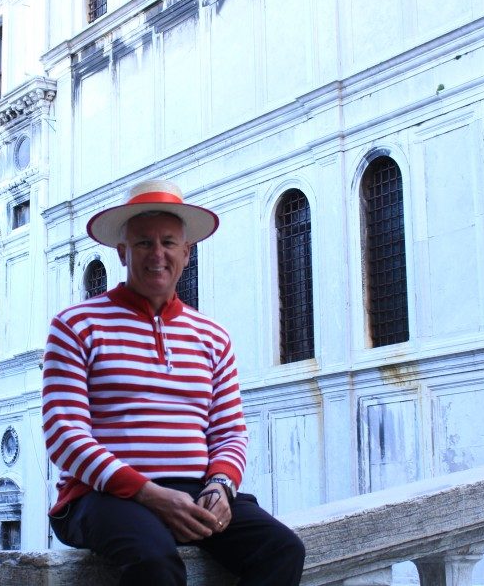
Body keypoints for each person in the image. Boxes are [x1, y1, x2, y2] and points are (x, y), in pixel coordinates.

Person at [42, 179, 305, 585]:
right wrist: (149, 494)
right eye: (144, 243)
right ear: (122, 251)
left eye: (168, 242)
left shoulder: (212, 336)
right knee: (154, 562)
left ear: (187, 251)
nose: (157, 254)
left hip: (194, 489)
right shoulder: (76, 325)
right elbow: (64, 434)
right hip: (101, 496)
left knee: (282, 549)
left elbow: (230, 431)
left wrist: (221, 486)